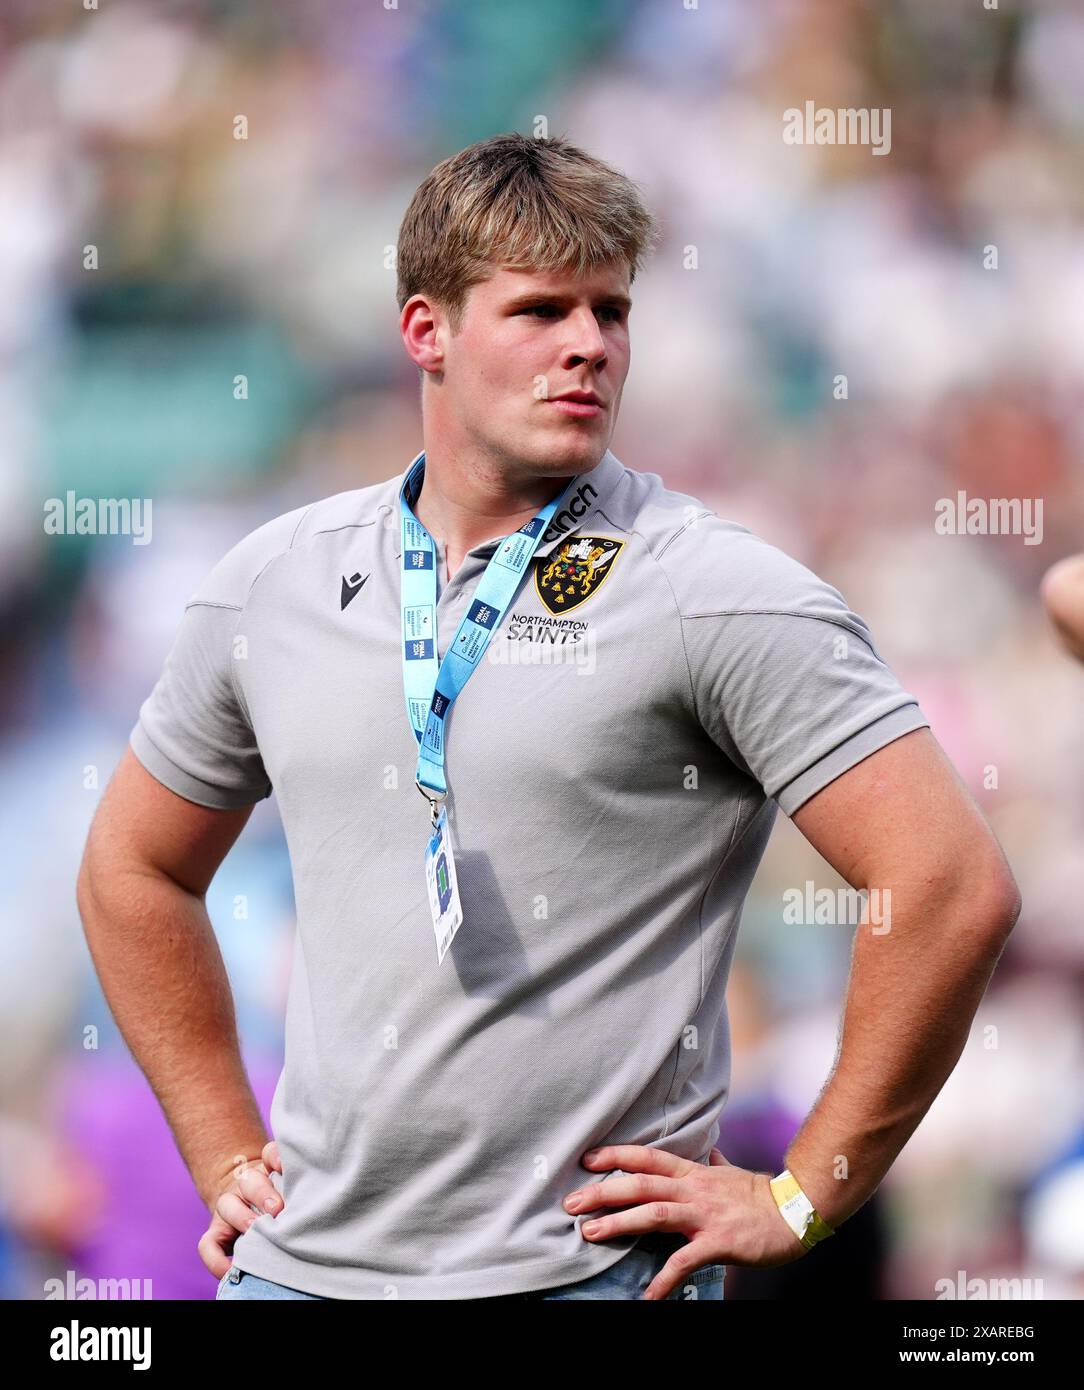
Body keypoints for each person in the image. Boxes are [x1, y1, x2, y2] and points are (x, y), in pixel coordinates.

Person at [76, 132, 1021, 1302]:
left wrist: (802, 1193)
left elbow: (945, 882)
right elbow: (133, 870)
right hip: (298, 1273)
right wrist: (221, 1141)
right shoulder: (273, 580)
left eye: (611, 311)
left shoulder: (713, 585)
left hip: (585, 1279)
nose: (589, 345)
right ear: (425, 331)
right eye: (540, 311)